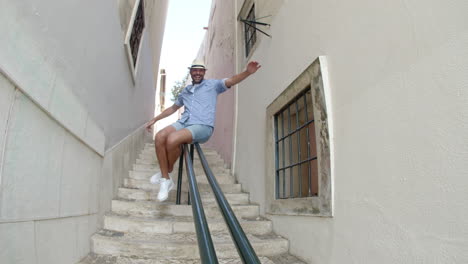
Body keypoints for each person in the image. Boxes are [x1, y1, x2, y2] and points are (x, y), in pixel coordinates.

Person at [145, 59, 261, 201]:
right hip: (184, 122)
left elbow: (231, 81)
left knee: (172, 139)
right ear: (191, 72)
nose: (198, 73)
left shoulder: (213, 85)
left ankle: (167, 171)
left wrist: (247, 72)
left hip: (202, 126)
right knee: (160, 136)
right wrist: (155, 119)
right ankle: (166, 178)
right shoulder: (186, 91)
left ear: (204, 72)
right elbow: (173, 108)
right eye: (195, 70)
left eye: (201, 70)